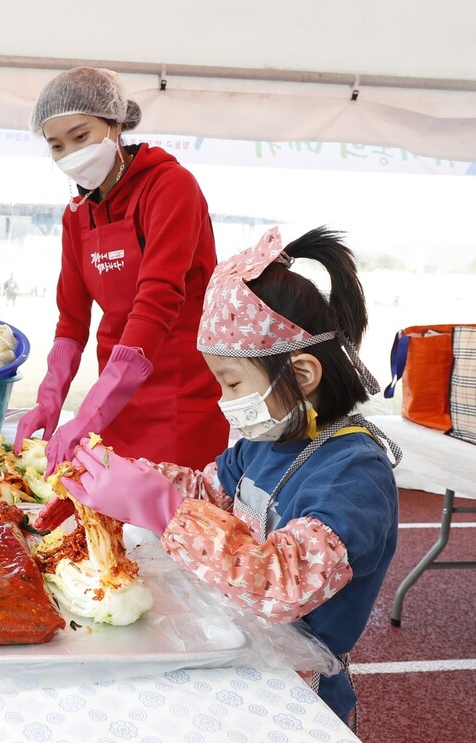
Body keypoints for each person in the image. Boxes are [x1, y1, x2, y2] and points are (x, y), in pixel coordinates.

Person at [49, 227, 402, 728]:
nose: (224, 399)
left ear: (302, 375)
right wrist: (123, 476)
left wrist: (164, 510)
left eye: (233, 381)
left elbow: (283, 582)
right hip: (239, 650)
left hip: (295, 688)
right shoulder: (267, 442)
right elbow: (208, 492)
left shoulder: (354, 477)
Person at [14, 66, 228, 474]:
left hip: (181, 395)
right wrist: (49, 401)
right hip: (115, 401)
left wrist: (91, 412)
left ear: (115, 124)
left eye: (81, 136)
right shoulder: (76, 216)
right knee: (114, 529)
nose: (71, 154)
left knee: (180, 525)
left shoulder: (170, 186)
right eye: (56, 146)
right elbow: (72, 321)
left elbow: (158, 300)